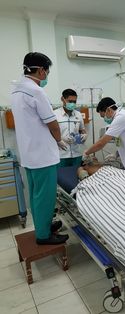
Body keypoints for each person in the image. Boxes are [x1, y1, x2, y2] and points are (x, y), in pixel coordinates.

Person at [11, 52, 69, 245]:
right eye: (47, 71)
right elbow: (53, 124)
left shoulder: (17, 91)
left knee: (36, 195)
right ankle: (43, 236)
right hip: (43, 156)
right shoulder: (36, 91)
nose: (47, 75)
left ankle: (42, 225)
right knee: (46, 196)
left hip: (29, 155)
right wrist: (59, 140)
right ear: (41, 70)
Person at [54, 89, 87, 167]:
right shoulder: (54, 114)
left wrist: (84, 135)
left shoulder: (78, 115)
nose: (72, 104)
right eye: (70, 101)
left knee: (77, 176)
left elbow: (82, 130)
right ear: (63, 99)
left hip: (77, 154)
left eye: (74, 102)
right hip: (61, 155)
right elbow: (50, 133)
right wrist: (60, 139)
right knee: (62, 177)